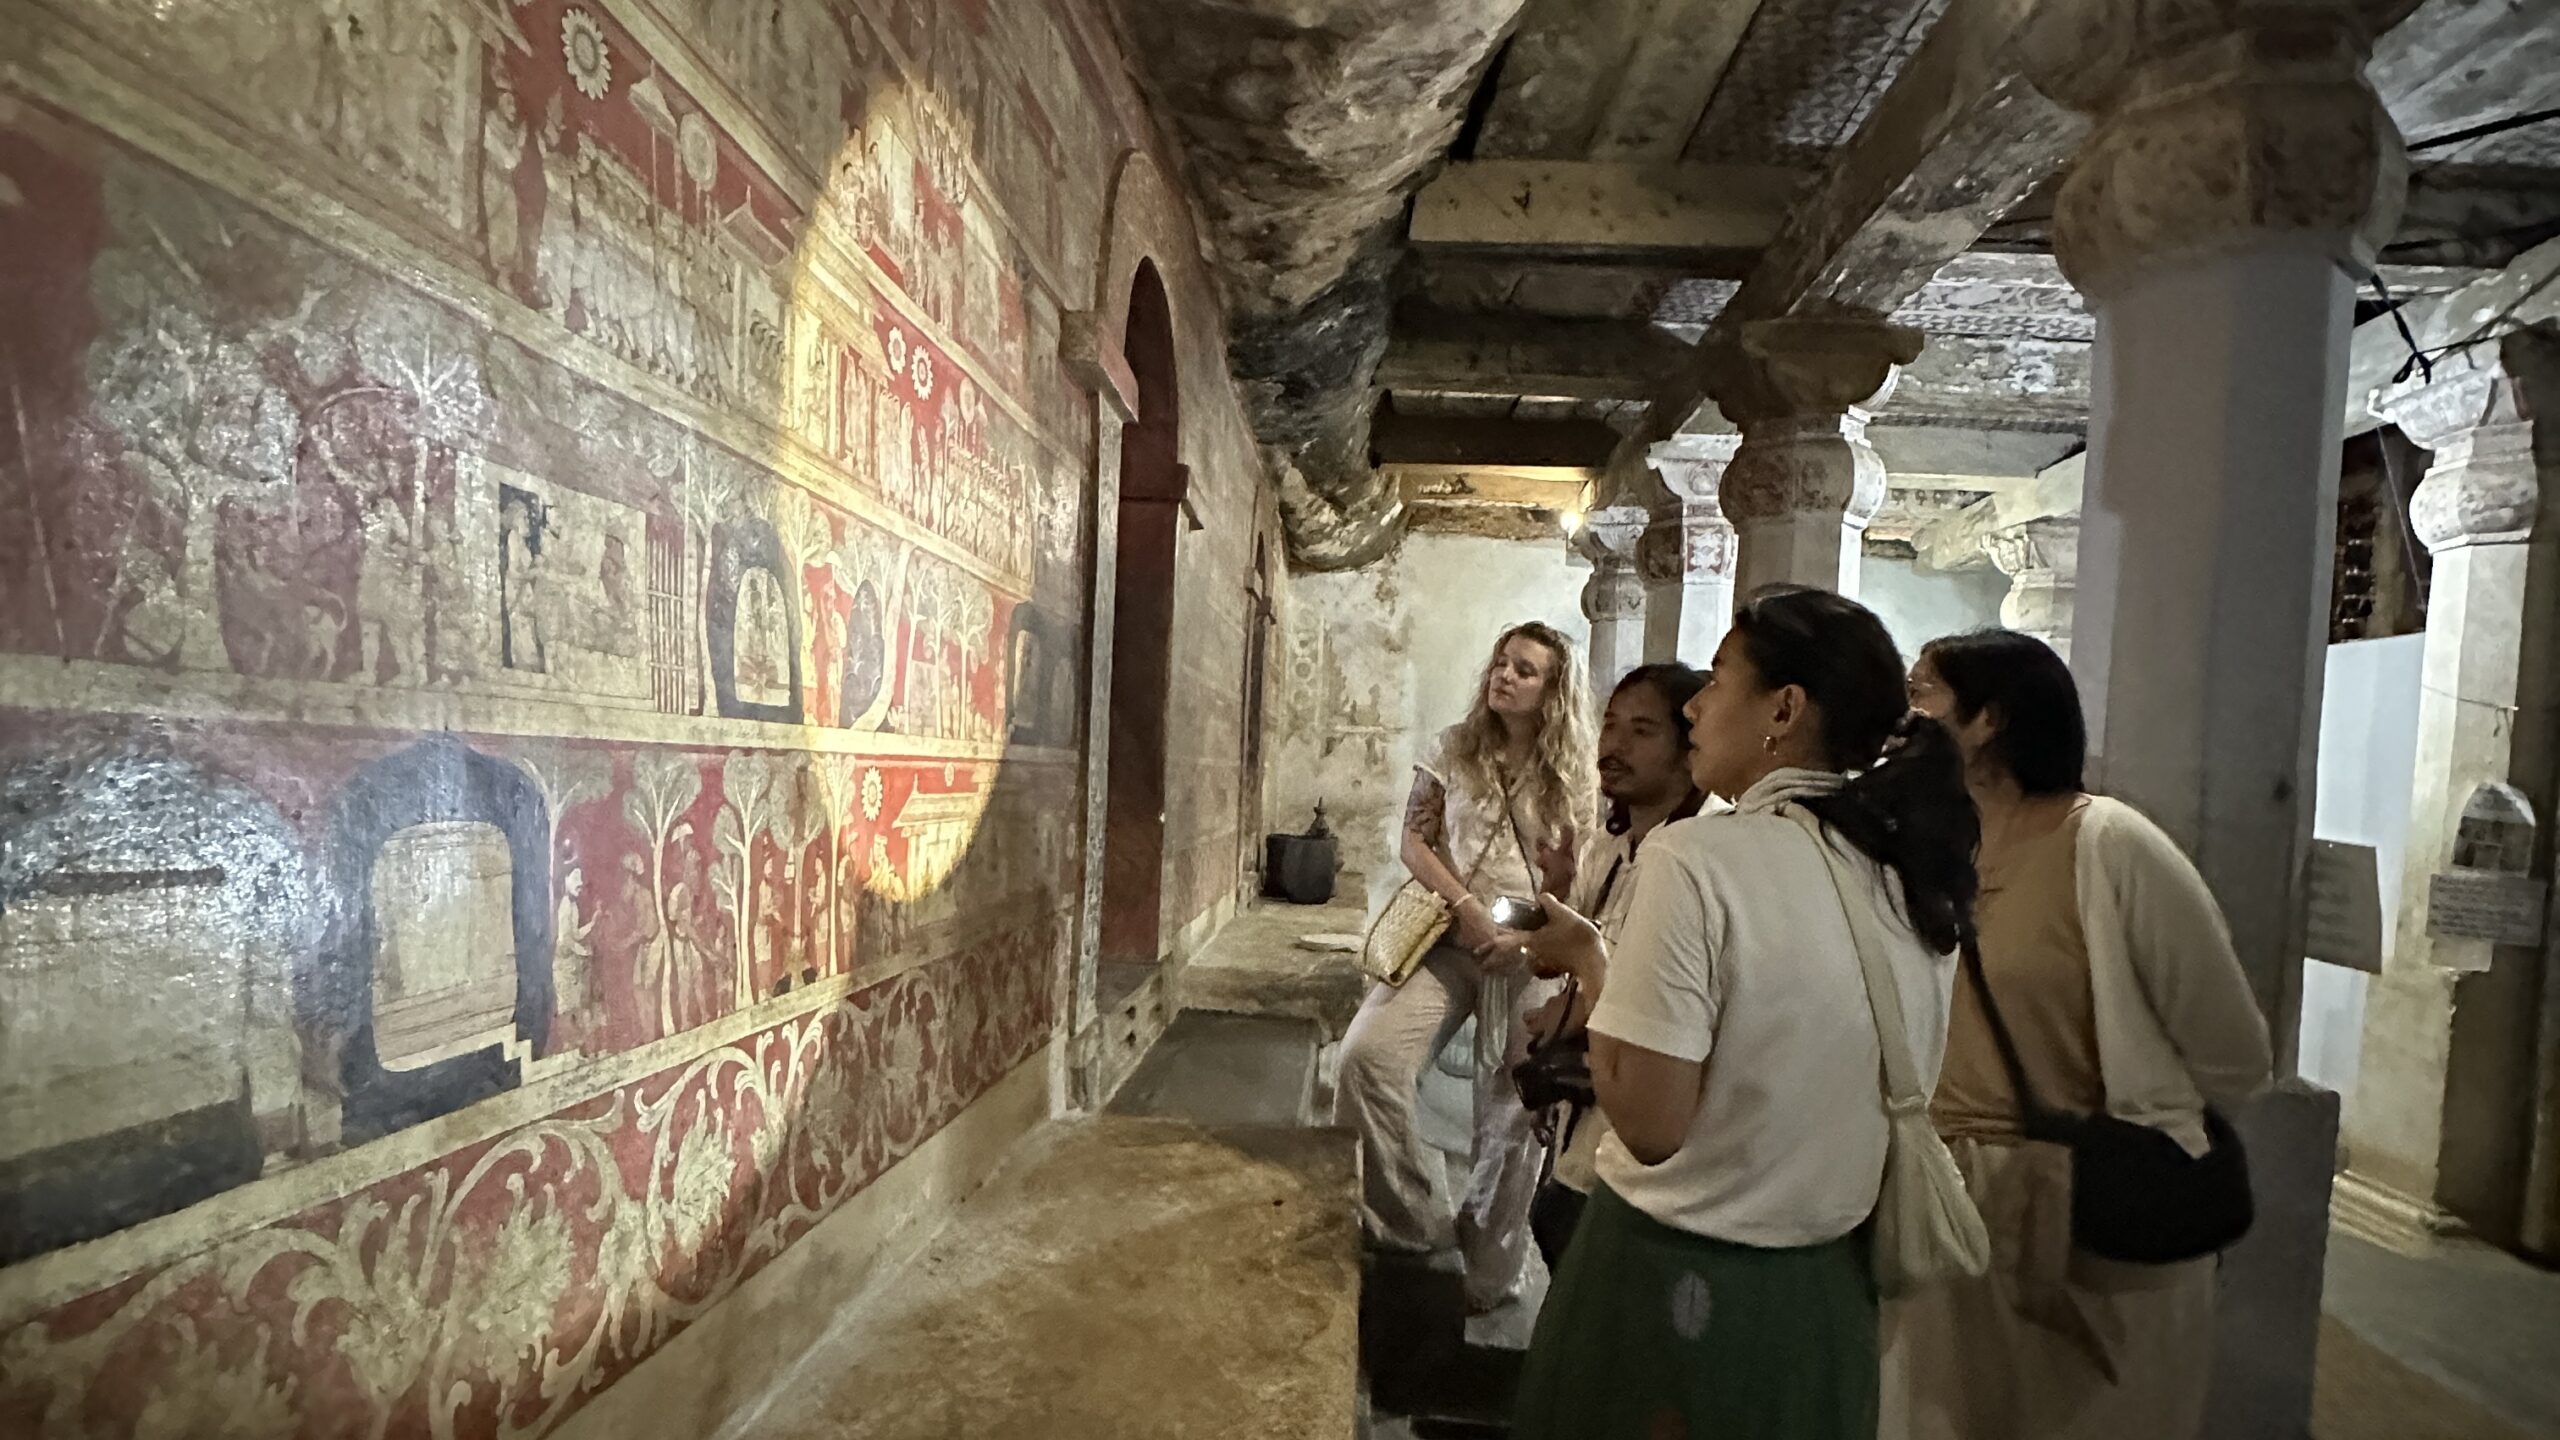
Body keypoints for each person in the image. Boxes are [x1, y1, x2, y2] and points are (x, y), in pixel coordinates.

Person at [1506, 586, 1980, 1440]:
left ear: (1784, 710)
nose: (1695, 705)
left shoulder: (1695, 857)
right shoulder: (1907, 870)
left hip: (1676, 1287)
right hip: (1827, 1302)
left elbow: (1652, 1119)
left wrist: (1589, 963)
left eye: (1718, 679)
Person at [1886, 628, 2272, 1440]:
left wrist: (2134, 1122)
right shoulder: (1934, 851)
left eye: (1922, 693)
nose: (1903, 713)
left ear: (1987, 720)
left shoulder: (2110, 845)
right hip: (1955, 1213)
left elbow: (2235, 1051)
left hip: (2089, 1214)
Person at [1334, 621, 1597, 1314]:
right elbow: (1416, 841)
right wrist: (1468, 910)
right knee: (1367, 1057)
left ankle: (1487, 1270)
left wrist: (1532, 930)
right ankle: (1414, 1227)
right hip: (1450, 934)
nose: (1504, 676)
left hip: (1531, 945)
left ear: (1554, 692)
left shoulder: (1575, 774)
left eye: (1525, 670)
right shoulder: (1455, 749)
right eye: (1502, 663)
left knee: (1510, 1116)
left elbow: (1581, 876)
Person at [1517, 662, 1709, 1274]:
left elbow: (1648, 1004)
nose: (1615, 746)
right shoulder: (1617, 844)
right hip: (1589, 1109)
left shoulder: (1691, 861)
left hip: (1636, 1133)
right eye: (1610, 724)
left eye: (1643, 730)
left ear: (1689, 752)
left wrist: (1567, 996)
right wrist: (1559, 891)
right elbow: (1556, 957)